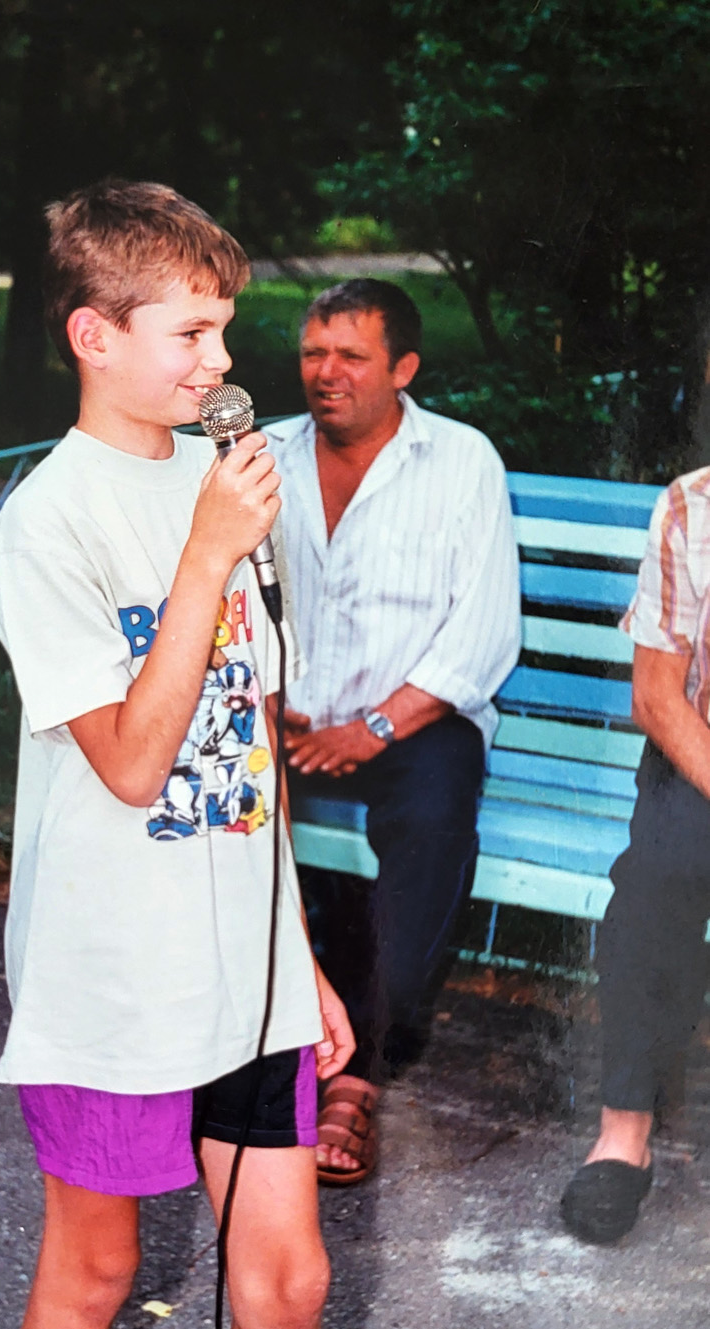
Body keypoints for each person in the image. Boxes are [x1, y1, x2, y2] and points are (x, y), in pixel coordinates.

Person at [0, 180, 389, 1329]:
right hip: (112, 975)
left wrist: (299, 953)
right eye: (192, 333)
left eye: (226, 330)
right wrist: (211, 557)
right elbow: (138, 759)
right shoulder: (52, 523)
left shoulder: (224, 485)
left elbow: (249, 757)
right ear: (95, 335)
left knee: (284, 1284)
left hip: (243, 966)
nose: (224, 364)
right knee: (93, 1278)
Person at [264, 280, 520, 1185]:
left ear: (402, 367)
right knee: (213, 800)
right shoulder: (261, 457)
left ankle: (356, 1075)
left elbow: (483, 635)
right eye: (312, 353)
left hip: (416, 719)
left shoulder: (459, 461)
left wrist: (373, 727)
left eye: (351, 356)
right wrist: (264, 697)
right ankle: (236, 1041)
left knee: (431, 822)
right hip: (289, 717)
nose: (325, 372)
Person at [561, 472, 710, 1243]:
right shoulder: (694, 505)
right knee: (654, 881)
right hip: (701, 754)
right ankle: (624, 1132)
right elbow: (656, 697)